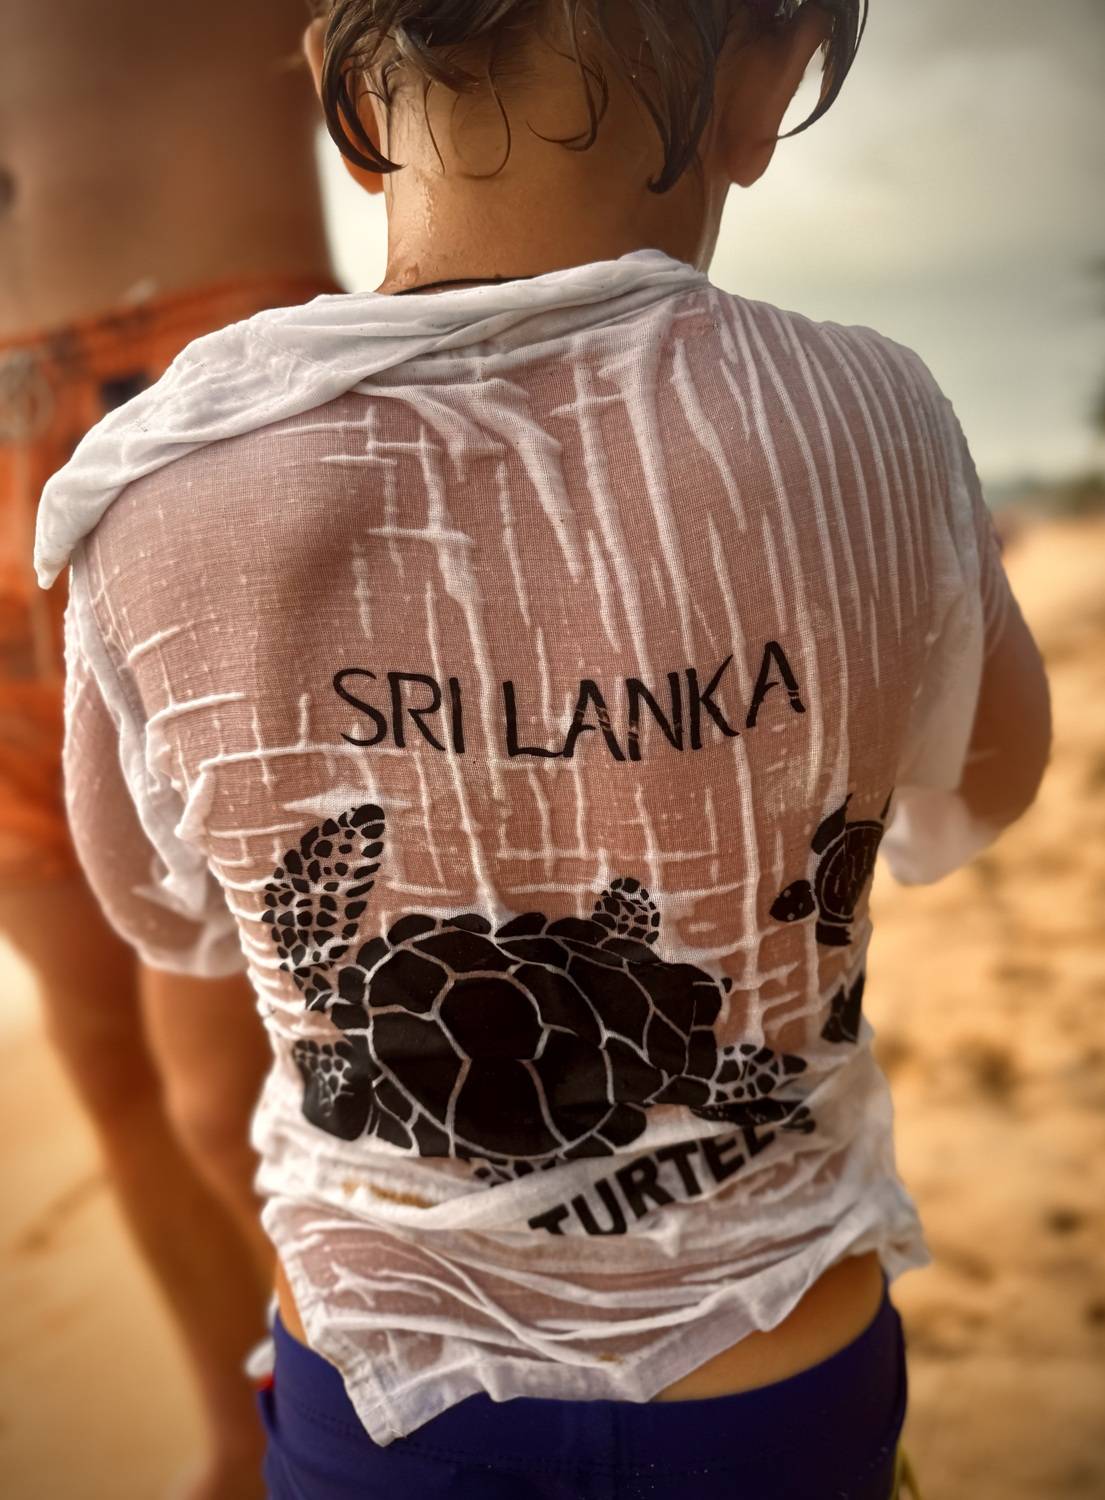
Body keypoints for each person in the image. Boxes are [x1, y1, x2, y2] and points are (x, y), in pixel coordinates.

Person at [34, 1, 1052, 1496]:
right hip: (771, 1355)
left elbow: (163, 906)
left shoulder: (159, 479)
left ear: (344, 102)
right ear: (769, 79)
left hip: (386, 1375)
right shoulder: (870, 416)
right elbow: (990, 776)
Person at [0, 4, 339, 1496]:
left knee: (249, 1100)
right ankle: (237, 1440)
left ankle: (383, 1442)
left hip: (203, 370)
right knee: (111, 1073)